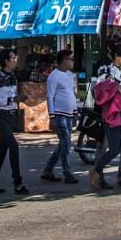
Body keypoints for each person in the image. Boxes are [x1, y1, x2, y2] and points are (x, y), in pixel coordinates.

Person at [90, 43, 121, 194]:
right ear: (117, 57)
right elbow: (98, 90)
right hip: (112, 114)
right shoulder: (105, 70)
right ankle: (97, 170)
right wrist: (114, 87)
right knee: (114, 149)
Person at [0, 48, 29, 195]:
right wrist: (11, 100)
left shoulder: (13, 77)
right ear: (6, 61)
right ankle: (18, 182)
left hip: (11, 115)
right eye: (13, 58)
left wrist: (18, 100)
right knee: (13, 146)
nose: (16, 60)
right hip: (1, 115)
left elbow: (14, 96)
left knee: (2, 151)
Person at [41, 49, 79, 184]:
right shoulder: (54, 76)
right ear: (64, 60)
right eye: (71, 59)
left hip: (68, 114)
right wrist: (51, 116)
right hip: (59, 114)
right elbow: (49, 96)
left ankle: (48, 169)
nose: (73, 61)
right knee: (66, 144)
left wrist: (75, 112)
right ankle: (67, 172)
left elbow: (72, 94)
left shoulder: (70, 75)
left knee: (63, 144)